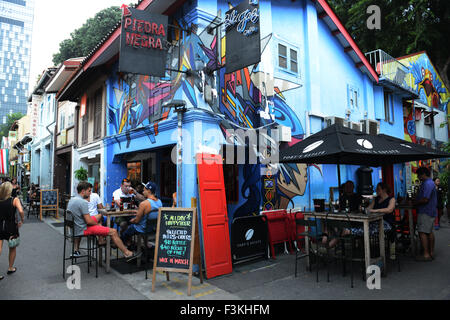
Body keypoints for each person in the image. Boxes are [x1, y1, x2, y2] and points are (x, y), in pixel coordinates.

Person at [67, 181, 139, 261]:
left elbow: (85, 218)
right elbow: (89, 222)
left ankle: (108, 241)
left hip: (76, 226)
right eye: (89, 191)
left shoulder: (72, 200)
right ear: (83, 191)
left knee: (100, 216)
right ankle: (127, 253)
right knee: (113, 231)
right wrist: (97, 223)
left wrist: (99, 216)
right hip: (83, 228)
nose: (90, 193)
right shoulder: (83, 202)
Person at [120, 181, 162, 247]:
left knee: (125, 232)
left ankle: (128, 248)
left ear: (149, 191)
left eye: (144, 190)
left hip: (141, 228)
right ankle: (139, 246)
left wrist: (132, 221)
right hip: (151, 227)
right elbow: (148, 213)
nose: (143, 192)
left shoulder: (144, 204)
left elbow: (136, 221)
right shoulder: (159, 202)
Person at [0, 182, 25, 279]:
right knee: (12, 247)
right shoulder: (14, 200)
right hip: (10, 226)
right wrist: (22, 220)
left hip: (0, 225)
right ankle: (10, 268)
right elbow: (21, 211)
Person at [413, 167, 437, 261]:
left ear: (423, 174)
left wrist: (415, 203)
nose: (418, 177)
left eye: (419, 175)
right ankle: (430, 252)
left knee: (422, 232)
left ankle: (426, 254)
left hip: (425, 211)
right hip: (429, 211)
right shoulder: (429, 183)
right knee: (429, 231)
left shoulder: (427, 183)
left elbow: (425, 199)